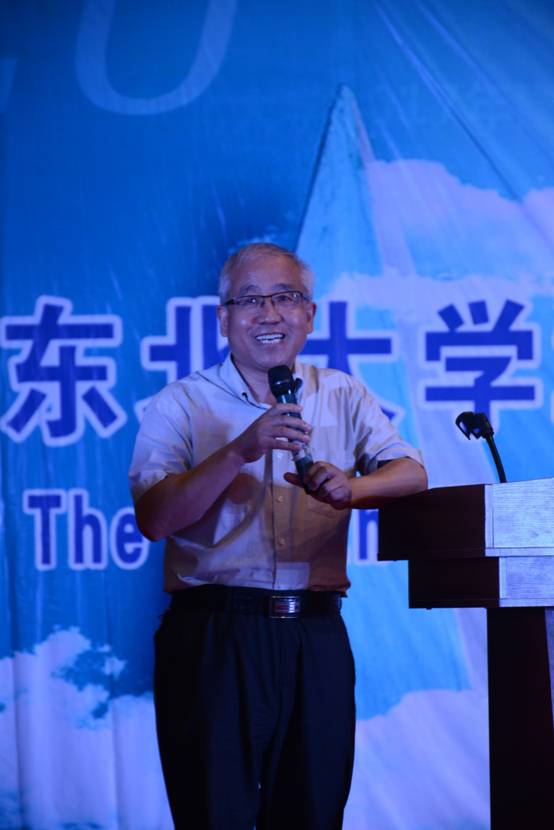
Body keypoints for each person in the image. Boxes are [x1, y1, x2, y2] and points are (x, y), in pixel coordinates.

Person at [129, 242, 427, 830]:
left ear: (309, 314)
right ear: (224, 318)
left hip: (314, 635)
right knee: (215, 813)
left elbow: (412, 473)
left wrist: (353, 488)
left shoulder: (342, 393)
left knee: (313, 812)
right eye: (250, 300)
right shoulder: (181, 402)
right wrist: (238, 450)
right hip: (214, 636)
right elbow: (155, 519)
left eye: (286, 297)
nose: (270, 313)